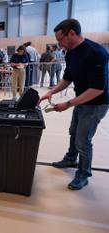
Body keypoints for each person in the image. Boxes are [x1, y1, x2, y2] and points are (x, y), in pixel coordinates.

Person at [39, 19, 109, 190]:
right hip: (81, 100)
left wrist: (68, 103)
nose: (59, 44)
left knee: (83, 140)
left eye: (60, 39)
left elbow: (97, 89)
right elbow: (67, 78)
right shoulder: (70, 53)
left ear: (71, 33)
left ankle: (83, 174)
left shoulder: (96, 53)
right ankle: (71, 158)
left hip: (96, 103)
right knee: (73, 132)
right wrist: (51, 92)